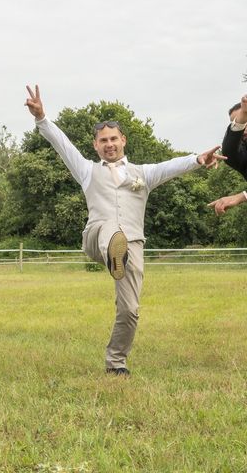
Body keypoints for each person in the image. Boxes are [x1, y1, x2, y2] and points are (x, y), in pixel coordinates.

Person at [25, 84, 224, 376]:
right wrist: (42, 118)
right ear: (95, 145)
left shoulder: (143, 174)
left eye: (113, 139)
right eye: (103, 140)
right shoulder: (87, 171)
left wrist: (197, 160)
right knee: (110, 229)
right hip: (97, 238)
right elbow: (63, 146)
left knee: (130, 309)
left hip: (132, 247)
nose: (109, 144)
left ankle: (116, 362)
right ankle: (113, 251)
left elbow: (171, 166)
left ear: (123, 141)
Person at [208, 95, 247, 214]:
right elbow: (229, 153)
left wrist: (240, 197)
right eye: (235, 122)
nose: (243, 130)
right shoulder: (242, 156)